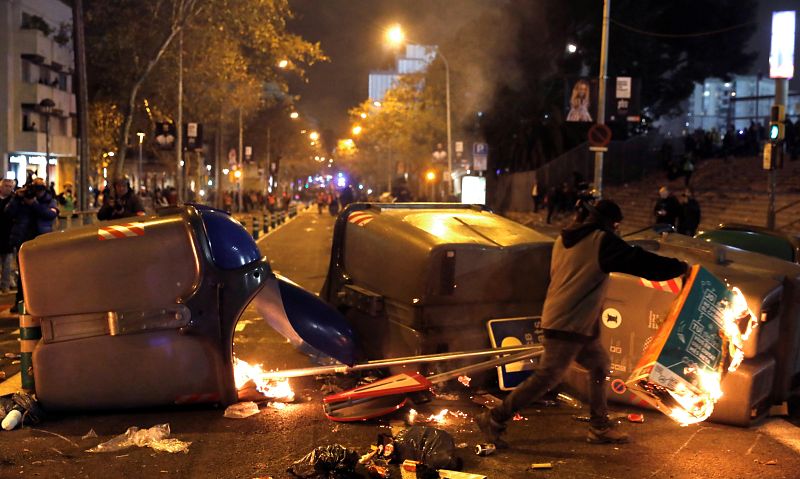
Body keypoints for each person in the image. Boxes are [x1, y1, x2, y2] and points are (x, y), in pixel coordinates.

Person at [477, 200, 688, 447]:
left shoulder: (564, 240)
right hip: (568, 324)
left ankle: (599, 426)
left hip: (573, 322)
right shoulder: (600, 241)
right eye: (616, 225)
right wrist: (679, 267)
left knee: (599, 366)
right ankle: (495, 417)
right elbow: (638, 261)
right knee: (547, 377)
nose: (617, 230)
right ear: (608, 222)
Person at [6, 178, 58, 309]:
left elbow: (50, 215)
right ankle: (20, 302)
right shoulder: (21, 199)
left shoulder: (48, 200)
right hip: (23, 240)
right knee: (22, 273)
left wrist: (34, 204)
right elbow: (8, 213)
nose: (37, 192)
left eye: (40, 189)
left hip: (41, 241)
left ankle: (42, 301)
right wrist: (17, 198)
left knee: (42, 272)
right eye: (35, 189)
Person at [0, 180, 16, 293]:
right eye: (6, 186)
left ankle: (5, 285)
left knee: (7, 265)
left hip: (9, 236)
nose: (8, 188)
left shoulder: (14, 200)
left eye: (10, 186)